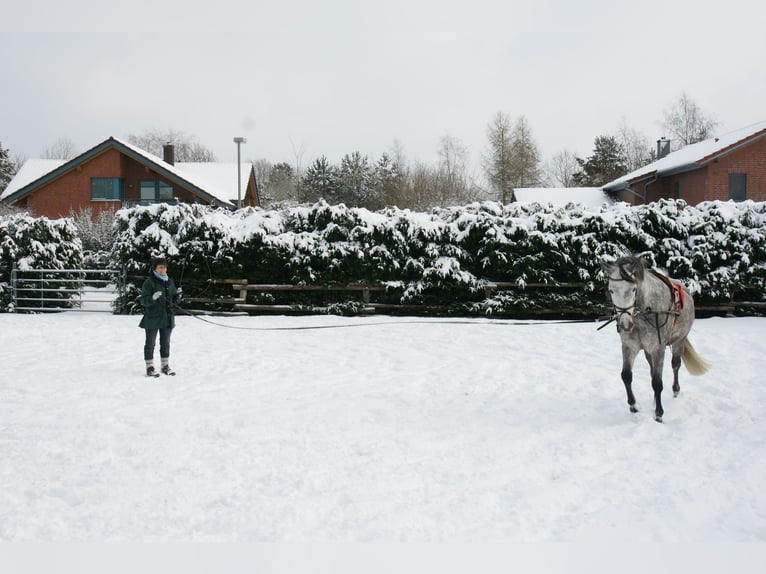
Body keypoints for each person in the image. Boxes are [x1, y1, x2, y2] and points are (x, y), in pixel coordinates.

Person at [139, 257, 178, 377]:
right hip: (152, 318)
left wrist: (178, 296)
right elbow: (143, 301)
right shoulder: (149, 282)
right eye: (160, 267)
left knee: (165, 343)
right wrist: (152, 298)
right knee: (150, 343)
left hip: (167, 318)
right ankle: (149, 367)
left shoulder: (169, 281)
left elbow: (173, 299)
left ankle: (165, 365)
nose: (163, 270)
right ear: (155, 268)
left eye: (164, 267)